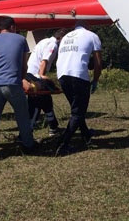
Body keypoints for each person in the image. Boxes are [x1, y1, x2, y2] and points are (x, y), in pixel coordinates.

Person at [0, 17, 35, 161]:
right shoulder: (21, 40)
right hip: (13, 84)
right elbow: (24, 65)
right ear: (13, 27)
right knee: (22, 116)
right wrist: (20, 77)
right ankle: (28, 145)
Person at [55, 20, 102, 156]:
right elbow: (98, 62)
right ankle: (63, 144)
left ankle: (86, 136)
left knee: (76, 109)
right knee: (78, 112)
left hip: (62, 75)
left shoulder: (65, 38)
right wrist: (95, 80)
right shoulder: (92, 35)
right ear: (88, 25)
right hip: (79, 75)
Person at [26, 28, 67, 136]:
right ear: (60, 38)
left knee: (46, 100)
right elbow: (44, 61)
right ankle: (28, 130)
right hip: (35, 75)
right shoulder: (53, 45)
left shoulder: (44, 41)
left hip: (30, 73)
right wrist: (42, 77)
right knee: (36, 102)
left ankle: (53, 126)